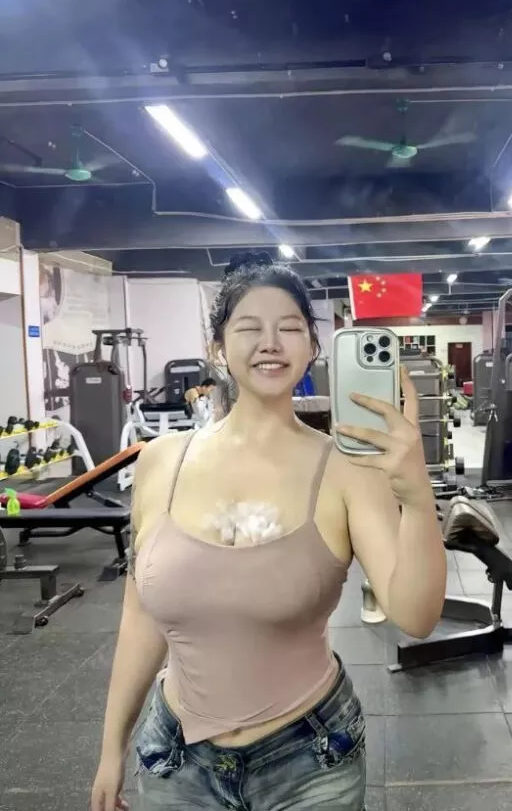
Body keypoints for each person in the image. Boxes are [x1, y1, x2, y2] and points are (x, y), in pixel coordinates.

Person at [91, 254, 446, 811]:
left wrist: (418, 496)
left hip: (310, 761)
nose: (271, 343)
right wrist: (112, 748)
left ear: (312, 347)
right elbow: (140, 617)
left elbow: (416, 616)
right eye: (249, 328)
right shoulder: (161, 462)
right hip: (174, 760)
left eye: (290, 328)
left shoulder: (347, 469)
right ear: (218, 348)